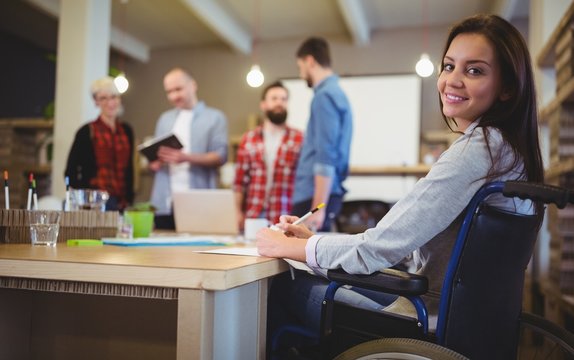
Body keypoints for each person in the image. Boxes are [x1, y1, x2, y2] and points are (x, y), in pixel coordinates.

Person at [256, 13, 544, 342]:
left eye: (474, 70)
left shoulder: (477, 152)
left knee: (280, 286)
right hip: (465, 319)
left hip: (428, 320)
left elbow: (376, 249)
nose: (453, 80)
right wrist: (310, 243)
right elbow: (395, 246)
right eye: (449, 66)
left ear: (507, 87)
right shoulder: (507, 149)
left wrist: (287, 247)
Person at [149, 67, 228, 229]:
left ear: (193, 85)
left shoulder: (215, 117)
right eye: (169, 92)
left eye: (178, 89)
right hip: (165, 202)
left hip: (199, 203)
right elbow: (156, 156)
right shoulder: (164, 119)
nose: (174, 96)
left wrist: (186, 158)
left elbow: (221, 156)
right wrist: (155, 162)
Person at [291, 37, 353, 232]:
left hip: (314, 197)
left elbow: (325, 155)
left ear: (310, 61)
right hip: (321, 195)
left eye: (300, 67)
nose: (301, 75)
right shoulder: (335, 93)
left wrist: (317, 208)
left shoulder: (324, 96)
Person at [233, 81, 304, 230]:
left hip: (286, 215)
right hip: (254, 215)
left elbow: (304, 181)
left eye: (283, 99)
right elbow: (239, 182)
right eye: (274, 98)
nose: (279, 102)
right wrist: (237, 211)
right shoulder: (249, 138)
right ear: (263, 104)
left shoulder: (299, 138)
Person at [65, 76, 134, 211]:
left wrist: (130, 198)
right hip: (96, 202)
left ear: (119, 99)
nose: (110, 102)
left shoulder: (127, 131)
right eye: (103, 98)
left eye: (114, 97)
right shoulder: (86, 132)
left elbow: (130, 169)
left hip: (122, 202)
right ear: (96, 101)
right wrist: (85, 199)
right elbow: (70, 171)